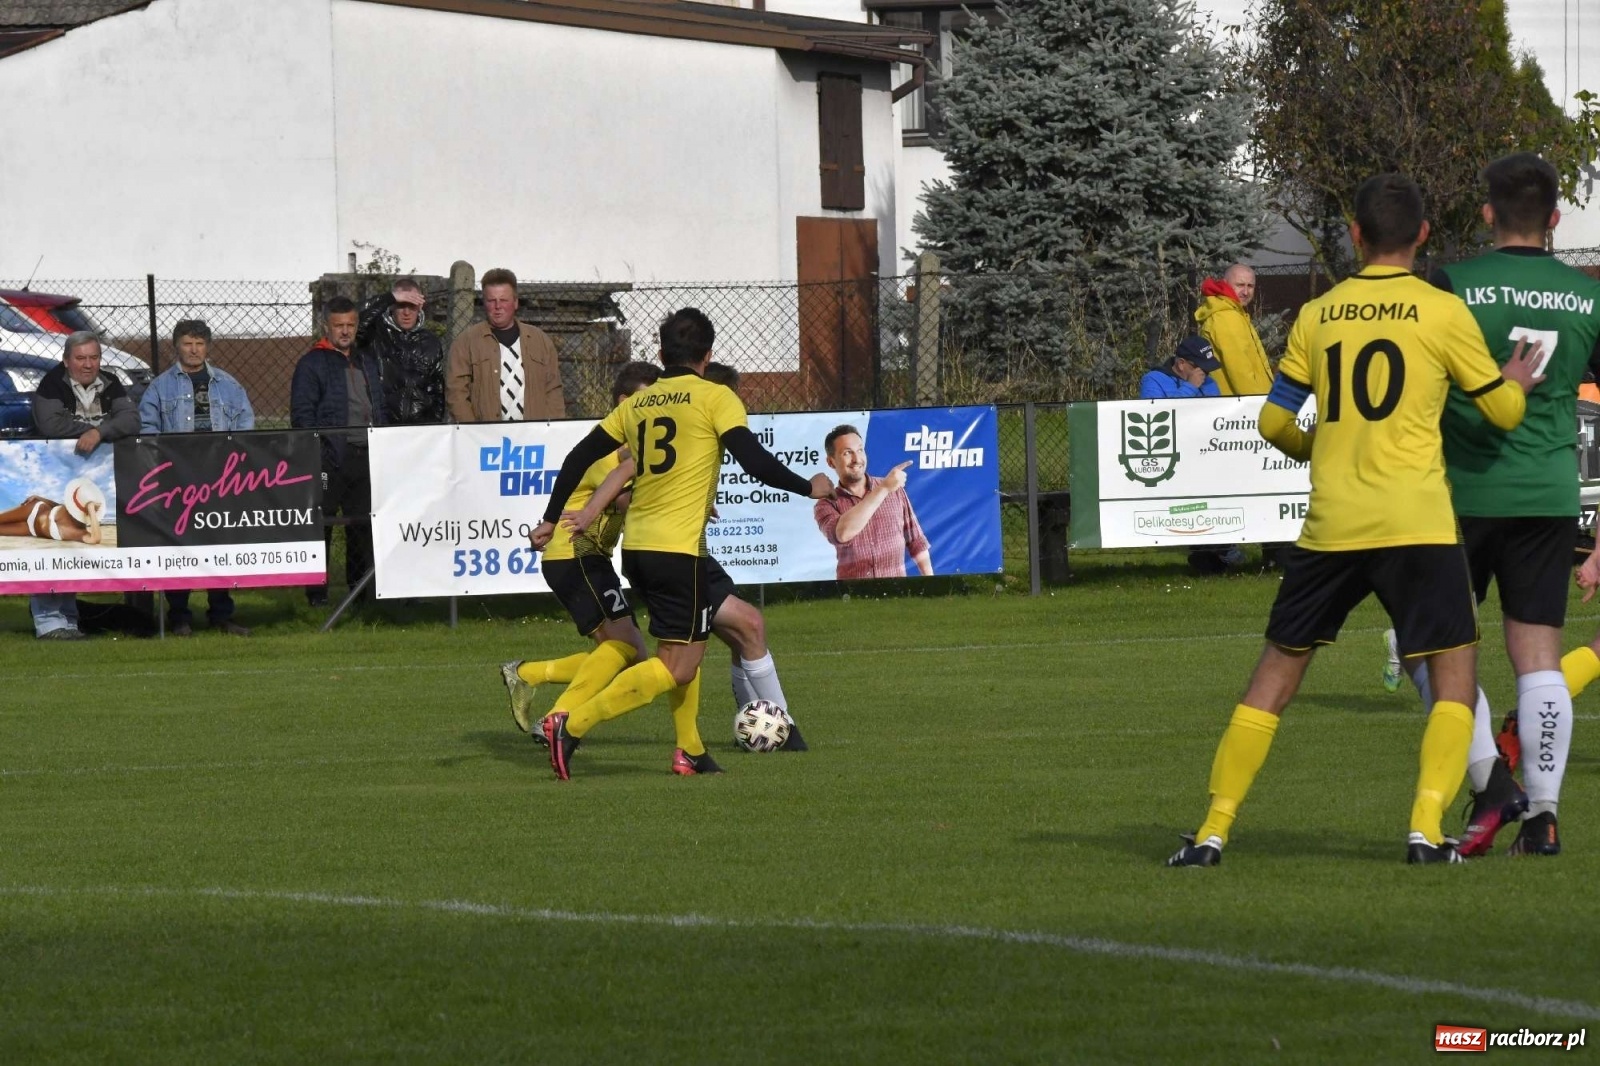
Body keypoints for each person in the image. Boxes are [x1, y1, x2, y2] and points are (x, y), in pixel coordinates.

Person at [1166, 173, 1542, 869]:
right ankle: (1426, 832)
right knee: (1453, 671)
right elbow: (1504, 414)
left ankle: (1214, 830)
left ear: (1356, 236)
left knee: (1275, 675)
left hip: (1334, 524)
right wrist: (1512, 383)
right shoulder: (1439, 312)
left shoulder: (1321, 313)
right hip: (1418, 524)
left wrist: (1321, 448)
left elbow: (1275, 420)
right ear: (1424, 235)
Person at [1385, 153, 1600, 859]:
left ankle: (1490, 780)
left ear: (1485, 215)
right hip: (1547, 492)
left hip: (1461, 492)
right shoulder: (1587, 296)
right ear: (1556, 221)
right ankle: (1543, 817)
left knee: (1429, 646)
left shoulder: (1451, 285)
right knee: (1538, 657)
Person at [532, 308, 833, 780]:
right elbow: (752, 460)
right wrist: (807, 486)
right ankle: (571, 726)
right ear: (708, 355)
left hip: (636, 550)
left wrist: (551, 518)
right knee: (675, 666)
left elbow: (578, 456)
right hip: (678, 550)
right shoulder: (715, 397)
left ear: (660, 353)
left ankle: (689, 750)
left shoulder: (639, 403)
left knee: (685, 649)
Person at [501, 361, 656, 750]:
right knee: (624, 648)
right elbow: (624, 500)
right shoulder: (613, 451)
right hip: (576, 554)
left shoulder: (627, 445)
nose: (655, 408)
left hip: (584, 558)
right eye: (647, 400)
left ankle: (528, 674)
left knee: (628, 652)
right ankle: (557, 718)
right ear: (624, 402)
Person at [138, 319, 255, 637]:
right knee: (179, 547)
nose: (193, 349)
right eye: (188, 343)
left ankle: (221, 613)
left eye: (200, 343)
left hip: (220, 479)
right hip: (177, 482)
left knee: (219, 546)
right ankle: (179, 616)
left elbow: (246, 427)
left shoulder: (230, 386)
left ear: (208, 347)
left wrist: (234, 465)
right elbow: (148, 429)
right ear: (176, 346)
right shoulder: (160, 387)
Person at [27, 330, 139, 640]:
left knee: (74, 549)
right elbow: (50, 424)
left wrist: (99, 433)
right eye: (80, 358)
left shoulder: (111, 383)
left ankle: (69, 620)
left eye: (94, 357)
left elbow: (131, 419)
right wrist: (95, 430)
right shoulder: (51, 384)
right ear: (66, 361)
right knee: (50, 547)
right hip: (53, 473)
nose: (88, 364)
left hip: (93, 479)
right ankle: (48, 621)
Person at [291, 296, 385, 607]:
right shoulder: (312, 363)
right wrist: (319, 450)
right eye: (339, 325)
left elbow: (378, 404)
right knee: (322, 525)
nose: (345, 331)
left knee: (362, 526)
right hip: (329, 459)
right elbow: (302, 415)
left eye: (350, 325)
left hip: (366, 454)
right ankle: (316, 594)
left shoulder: (366, 360)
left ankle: (359, 593)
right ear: (326, 327)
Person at [445, 268, 564, 423]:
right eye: (491, 300)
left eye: (504, 300)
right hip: (485, 439)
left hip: (533, 438)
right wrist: (472, 431)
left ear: (515, 303)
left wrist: (552, 429)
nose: (498, 306)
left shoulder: (540, 341)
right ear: (484, 303)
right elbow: (456, 393)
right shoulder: (466, 342)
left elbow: (553, 389)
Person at [814, 425, 932, 580]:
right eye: (847, 453)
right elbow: (842, 534)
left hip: (896, 593)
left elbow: (916, 541)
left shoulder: (893, 489)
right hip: (853, 597)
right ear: (831, 462)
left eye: (860, 450)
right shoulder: (826, 504)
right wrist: (883, 490)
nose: (857, 459)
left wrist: (931, 583)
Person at [358, 278, 445, 425]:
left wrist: (433, 423)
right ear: (392, 307)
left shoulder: (431, 342)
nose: (406, 313)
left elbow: (438, 388)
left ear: (420, 307)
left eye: (411, 306)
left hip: (421, 429)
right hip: (383, 426)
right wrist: (388, 297)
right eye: (401, 305)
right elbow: (355, 323)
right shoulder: (375, 335)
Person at [1194, 263, 1275, 396]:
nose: (1246, 292)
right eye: (1240, 285)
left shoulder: (1233, 312)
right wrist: (1257, 404)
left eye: (1250, 286)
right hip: (1242, 408)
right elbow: (1239, 370)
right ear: (1225, 283)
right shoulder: (1226, 316)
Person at [1138, 337, 1222, 399]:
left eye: (1207, 369)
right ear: (1181, 364)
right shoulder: (1154, 380)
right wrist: (1190, 387)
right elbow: (1156, 414)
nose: (1204, 373)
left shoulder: (1209, 382)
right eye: (1200, 368)